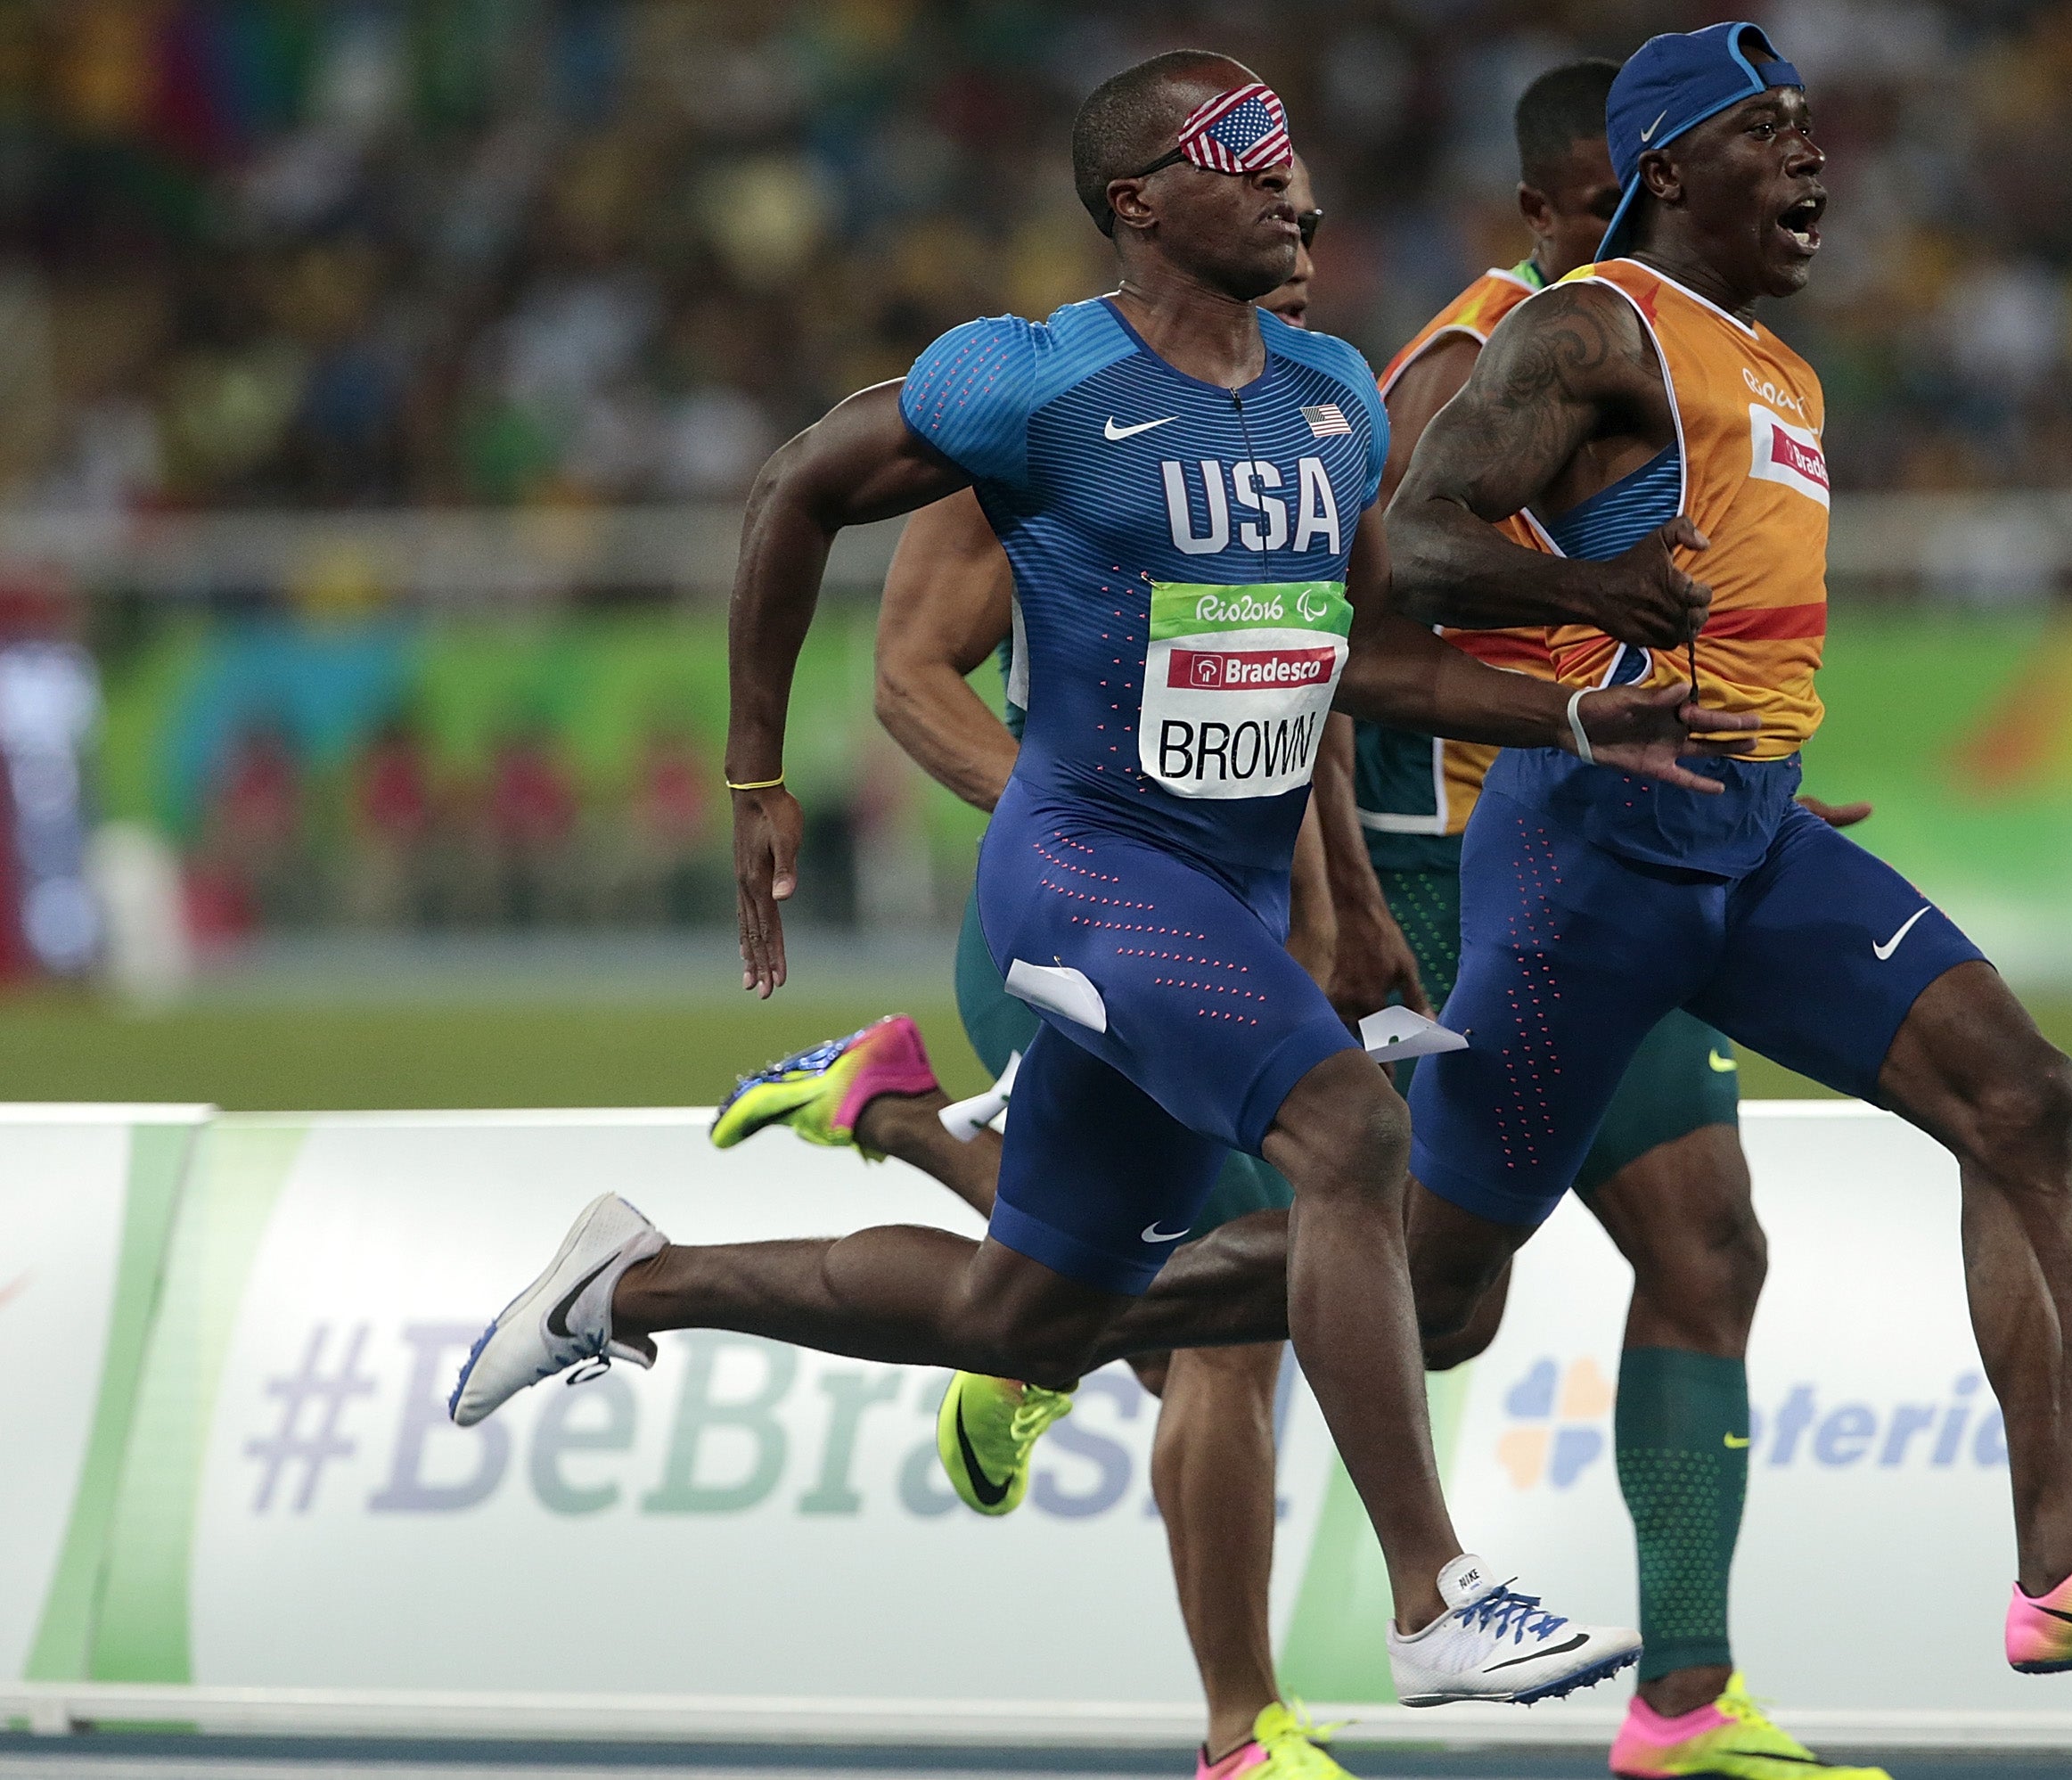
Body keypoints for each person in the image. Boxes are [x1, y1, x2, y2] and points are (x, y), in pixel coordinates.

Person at [446, 51, 1744, 1709]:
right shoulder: (1033, 383)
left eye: (1294, 152)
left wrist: (1577, 710)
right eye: (1248, 156)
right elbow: (793, 493)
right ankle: (1433, 1596)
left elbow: (1364, 664)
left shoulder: (1337, 394)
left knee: (1027, 1320)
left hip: (1228, 890)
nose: (1298, 187)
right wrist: (754, 773)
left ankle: (625, 1282)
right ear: (1141, 201)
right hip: (1081, 871)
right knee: (1347, 1128)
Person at [1380, 24, 2072, 1682]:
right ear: (1665, 169)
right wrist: (1593, 603)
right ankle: (1064, 1308)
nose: (1812, 162)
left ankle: (2060, 1578)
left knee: (2025, 1095)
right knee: (1434, 1299)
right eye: (1768, 132)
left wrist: (1769, 760)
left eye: (1813, 132)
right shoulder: (1594, 325)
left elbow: (1741, 620)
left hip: (1751, 839)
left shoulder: (1774, 367)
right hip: (1588, 864)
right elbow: (1415, 535)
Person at [709, 167, 1370, 1780]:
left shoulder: (1302, 414)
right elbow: (912, 679)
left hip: (1238, 916)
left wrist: (1332, 894)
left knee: (1118, 1302)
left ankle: (901, 1125)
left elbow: (1309, 693)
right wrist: (1113, 852)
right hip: (1079, 921)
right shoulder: (1050, 424)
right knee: (1239, 1320)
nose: (1294, 261)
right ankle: (1246, 1728)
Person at [1339, 58, 1885, 1780]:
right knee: (1438, 1301)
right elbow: (1355, 625)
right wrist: (1370, 878)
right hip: (1455, 860)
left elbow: (1670, 610)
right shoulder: (1473, 360)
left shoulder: (1687, 344)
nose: (1623, 262)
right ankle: (1043, 1304)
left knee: (1705, 1246)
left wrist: (1736, 770)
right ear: (1561, 207)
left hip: (1629, 830)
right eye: (1599, 220)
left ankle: (1687, 1700)